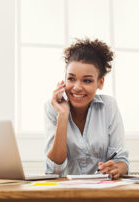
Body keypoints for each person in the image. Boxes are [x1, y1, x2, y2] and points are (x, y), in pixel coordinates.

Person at [44, 38, 129, 179]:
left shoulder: (109, 106)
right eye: (71, 79)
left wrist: (117, 167)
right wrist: (63, 116)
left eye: (87, 80)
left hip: (101, 191)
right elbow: (55, 168)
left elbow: (122, 161)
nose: (77, 87)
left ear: (100, 82)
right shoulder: (53, 106)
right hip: (64, 192)